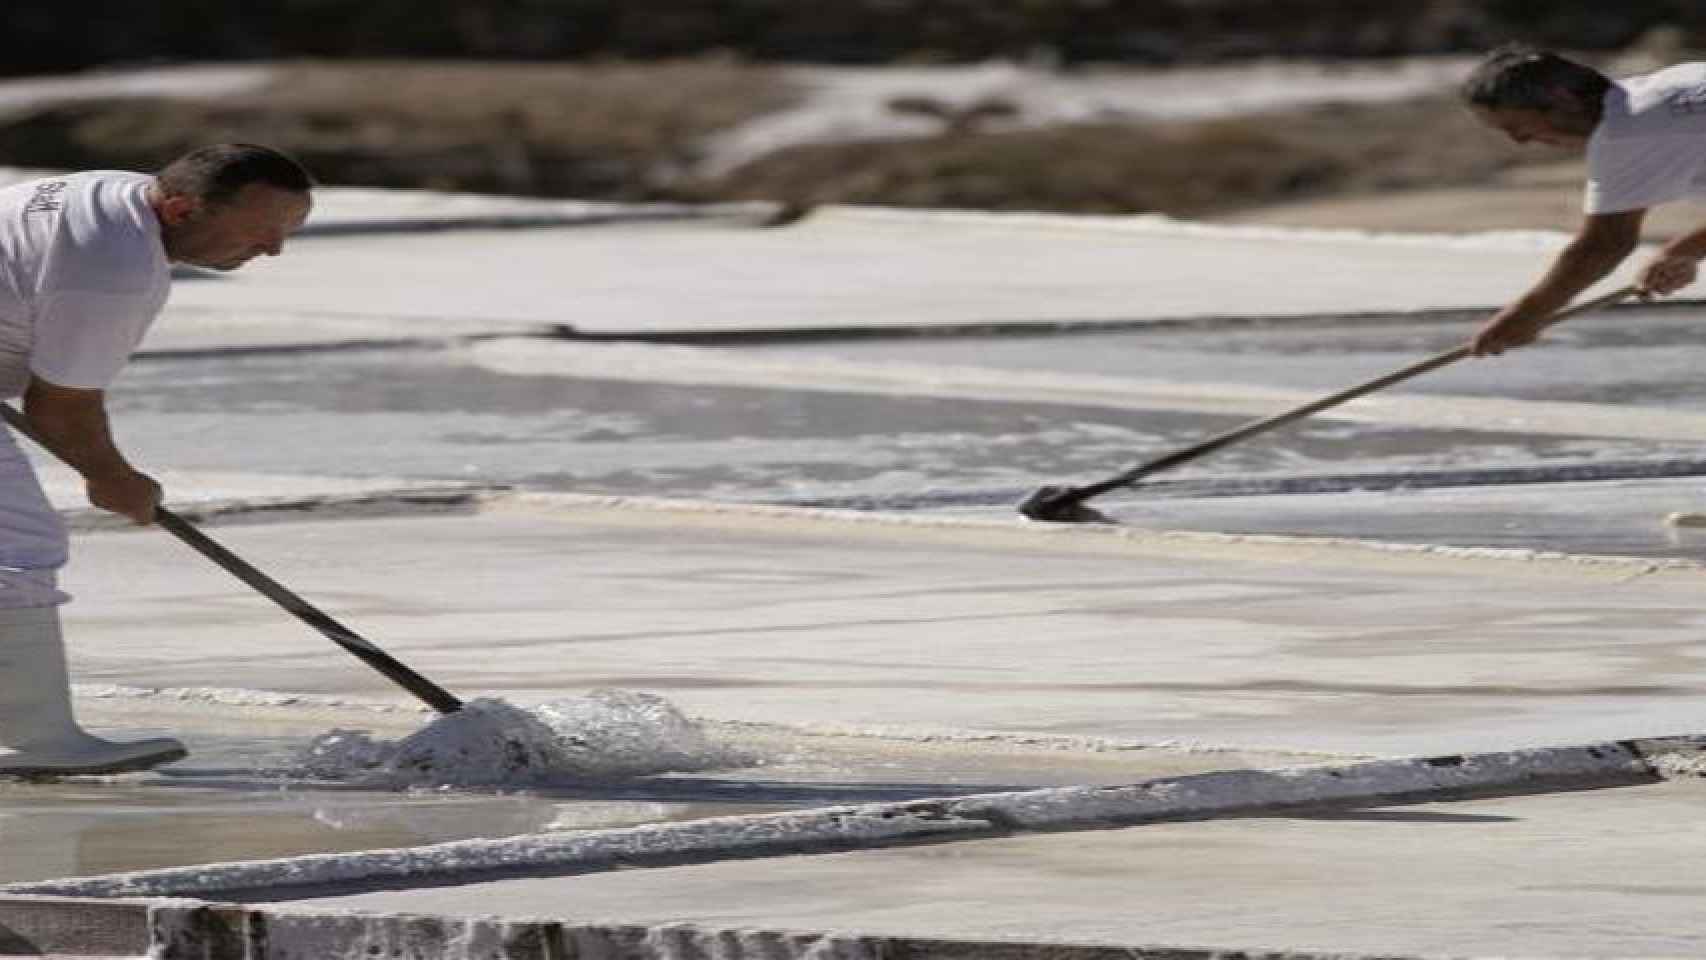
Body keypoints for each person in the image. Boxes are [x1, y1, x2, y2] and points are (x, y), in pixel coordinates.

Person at [0, 143, 313, 775]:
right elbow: (59, 408)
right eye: (260, 231)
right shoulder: (111, 268)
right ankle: (30, 740)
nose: (274, 250)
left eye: (287, 231)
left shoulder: (112, 193)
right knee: (18, 547)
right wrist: (114, 478)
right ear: (178, 208)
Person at [1462, 44, 1706, 355]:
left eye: (1516, 126)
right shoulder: (1668, 87)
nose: (1520, 141)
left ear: (1562, 99)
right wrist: (1684, 251)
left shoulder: (1628, 131)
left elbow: (1604, 244)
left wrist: (1527, 316)